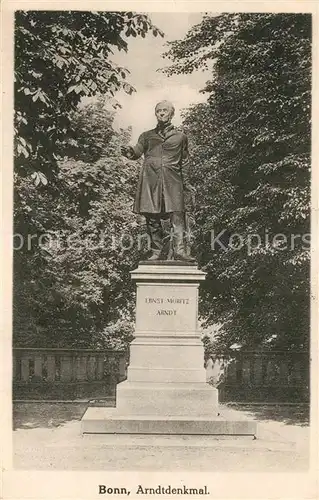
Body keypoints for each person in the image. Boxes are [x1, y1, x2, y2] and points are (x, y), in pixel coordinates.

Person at [121, 100, 195, 262]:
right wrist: (129, 152)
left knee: (177, 215)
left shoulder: (180, 137)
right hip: (151, 181)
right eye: (158, 111)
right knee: (151, 217)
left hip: (173, 180)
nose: (161, 113)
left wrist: (187, 184)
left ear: (172, 113)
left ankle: (180, 251)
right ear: (155, 114)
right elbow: (136, 152)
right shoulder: (147, 136)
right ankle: (156, 251)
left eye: (165, 110)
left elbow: (185, 162)